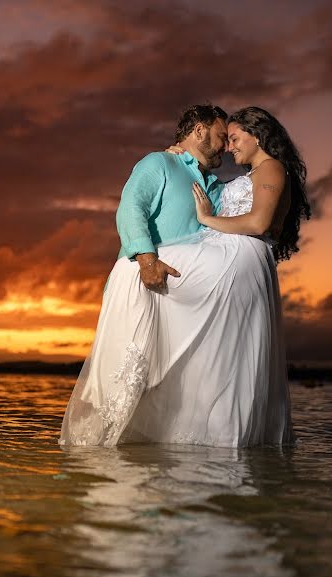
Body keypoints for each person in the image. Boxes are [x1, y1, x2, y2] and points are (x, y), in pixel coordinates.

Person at [59, 105, 310, 447]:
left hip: (196, 278)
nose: (226, 147)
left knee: (193, 368)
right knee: (124, 374)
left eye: (232, 139)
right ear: (199, 131)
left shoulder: (218, 185)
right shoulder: (158, 163)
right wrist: (147, 260)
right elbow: (131, 207)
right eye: (223, 137)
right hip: (146, 271)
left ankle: (201, 436)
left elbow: (246, 216)